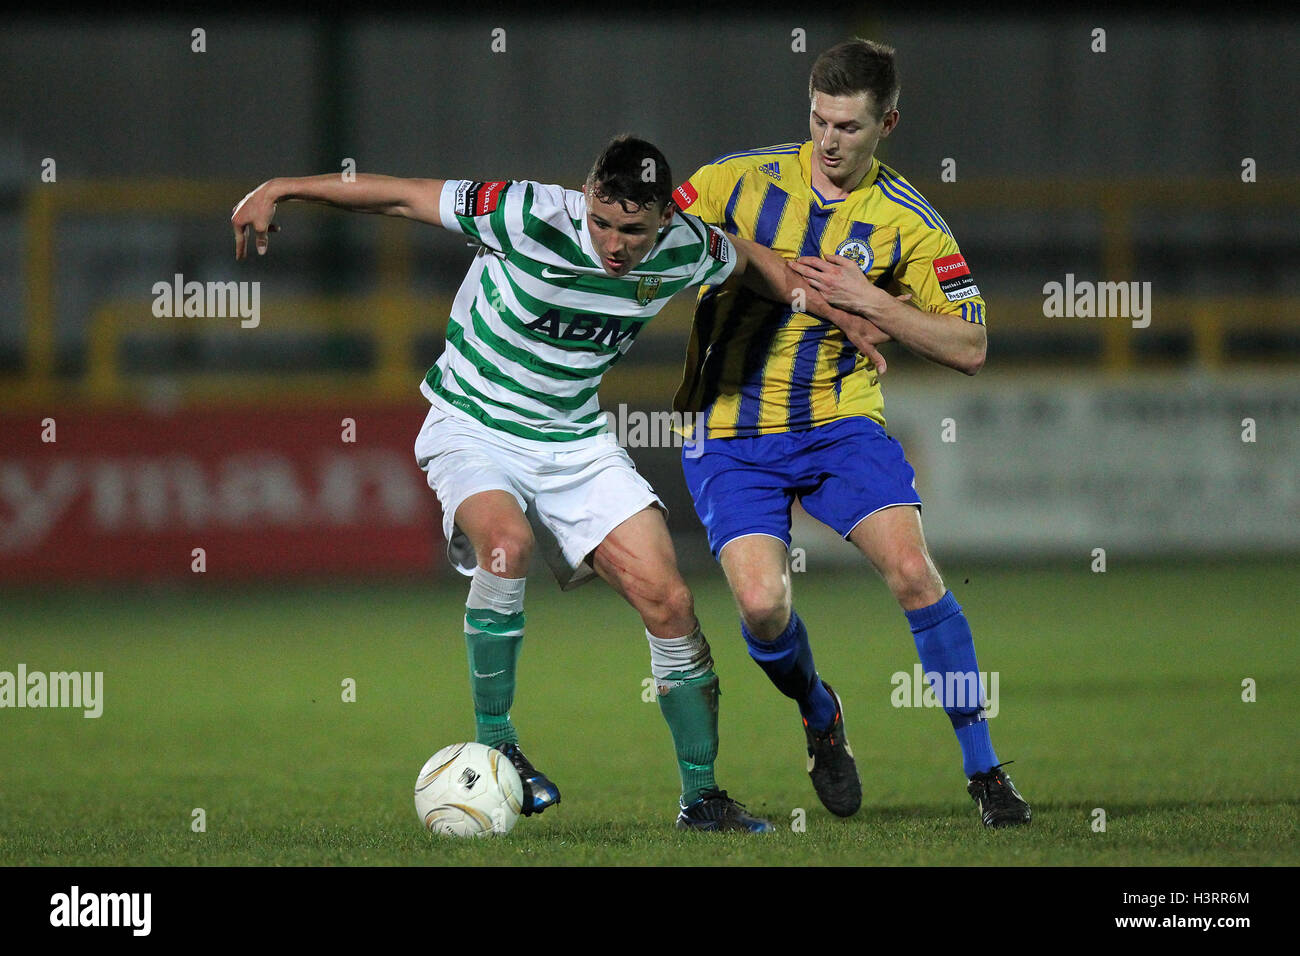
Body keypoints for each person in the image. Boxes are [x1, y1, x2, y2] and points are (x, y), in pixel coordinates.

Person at [231, 134, 886, 831]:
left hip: (575, 441)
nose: (614, 241)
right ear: (584, 196)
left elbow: (750, 260)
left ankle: (701, 797)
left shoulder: (687, 246)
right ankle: (497, 744)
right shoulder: (524, 214)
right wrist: (283, 187)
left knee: (669, 599)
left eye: (632, 229)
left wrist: (828, 306)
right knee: (505, 547)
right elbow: (401, 194)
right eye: (601, 220)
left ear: (664, 217)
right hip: (473, 424)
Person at [671, 39, 1032, 827]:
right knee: (763, 608)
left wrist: (875, 302)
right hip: (730, 431)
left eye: (849, 127)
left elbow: (970, 347)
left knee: (914, 573)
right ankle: (819, 709)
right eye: (819, 121)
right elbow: (650, 235)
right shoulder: (737, 180)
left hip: (840, 427)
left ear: (888, 123)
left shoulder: (910, 222)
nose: (829, 140)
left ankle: (986, 774)